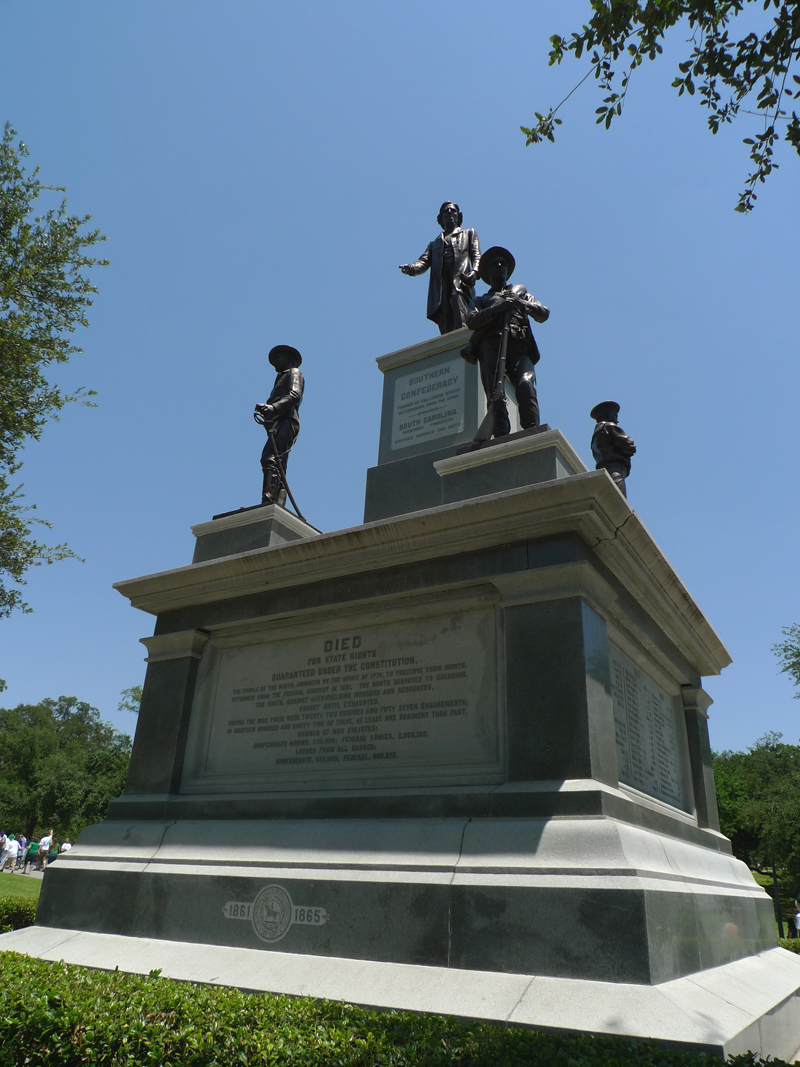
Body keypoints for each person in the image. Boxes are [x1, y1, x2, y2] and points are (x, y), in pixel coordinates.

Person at [464, 246, 549, 436]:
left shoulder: (520, 294)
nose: (500, 266)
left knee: (526, 385)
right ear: (487, 272)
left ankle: (533, 431)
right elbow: (471, 321)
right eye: (495, 264)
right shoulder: (481, 300)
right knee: (495, 393)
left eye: (503, 264)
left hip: (519, 346)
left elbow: (544, 313)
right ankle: (501, 434)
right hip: (490, 346)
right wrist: (496, 309)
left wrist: (521, 303)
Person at [399, 202, 481, 334]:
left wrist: (475, 271)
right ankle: (448, 344)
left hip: (460, 280)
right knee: (444, 311)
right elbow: (423, 262)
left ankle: (463, 338)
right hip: (441, 284)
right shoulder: (435, 244)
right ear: (441, 219)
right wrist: (412, 268)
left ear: (459, 216)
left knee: (457, 300)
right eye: (446, 212)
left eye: (452, 211)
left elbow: (476, 255)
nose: (449, 214)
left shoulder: (468, 233)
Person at [254, 345, 305, 507]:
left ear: (288, 358)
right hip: (280, 420)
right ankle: (278, 502)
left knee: (271, 458)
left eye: (278, 358)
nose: (275, 363)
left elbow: (294, 395)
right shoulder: (281, 377)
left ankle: (268, 499)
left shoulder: (294, 373)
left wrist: (273, 408)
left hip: (287, 420)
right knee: (278, 461)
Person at [590, 401, 636, 498]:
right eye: (615, 415)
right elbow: (629, 445)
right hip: (615, 471)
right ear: (607, 415)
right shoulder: (609, 426)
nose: (617, 420)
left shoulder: (596, 433)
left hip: (605, 472)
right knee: (620, 503)